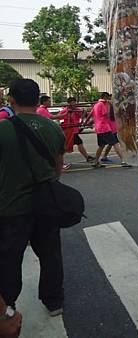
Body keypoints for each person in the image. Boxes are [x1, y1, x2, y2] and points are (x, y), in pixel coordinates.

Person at [0, 79, 66, 319]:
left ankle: (8, 305)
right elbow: (59, 167)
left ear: (11, 100)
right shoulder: (53, 128)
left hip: (11, 207)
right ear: (38, 100)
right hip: (46, 204)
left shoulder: (3, 129)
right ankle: (54, 301)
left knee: (9, 258)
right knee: (50, 254)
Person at [90, 92, 131, 168]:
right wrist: (109, 106)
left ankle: (96, 162)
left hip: (99, 128)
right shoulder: (102, 104)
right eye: (108, 98)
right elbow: (106, 114)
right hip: (104, 127)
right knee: (115, 143)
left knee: (101, 145)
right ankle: (123, 161)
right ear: (105, 97)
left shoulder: (96, 105)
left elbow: (92, 114)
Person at [59, 97, 94, 165]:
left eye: (75, 102)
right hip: (68, 131)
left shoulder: (77, 109)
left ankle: (87, 157)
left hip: (74, 131)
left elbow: (82, 116)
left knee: (79, 143)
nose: (74, 104)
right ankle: (59, 161)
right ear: (69, 103)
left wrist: (83, 112)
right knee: (66, 147)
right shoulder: (65, 110)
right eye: (72, 102)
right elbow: (59, 118)